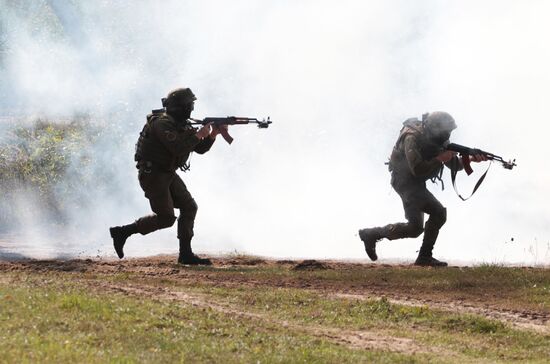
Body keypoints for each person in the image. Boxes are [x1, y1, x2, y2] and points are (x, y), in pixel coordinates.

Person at [109, 87, 226, 265]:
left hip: (167, 173)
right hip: (153, 175)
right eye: (189, 105)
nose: (192, 109)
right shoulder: (162, 124)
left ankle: (185, 254)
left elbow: (198, 149)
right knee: (166, 218)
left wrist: (212, 135)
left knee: (189, 207)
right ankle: (122, 232)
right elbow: (178, 148)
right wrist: (199, 135)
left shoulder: (181, 124)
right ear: (180, 106)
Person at [358, 111, 487, 267]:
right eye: (445, 132)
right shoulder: (411, 137)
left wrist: (472, 158)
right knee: (439, 213)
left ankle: (371, 234)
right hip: (404, 182)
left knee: (415, 228)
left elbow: (453, 164)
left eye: (449, 132)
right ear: (434, 129)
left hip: (414, 184)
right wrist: (441, 158)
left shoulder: (437, 140)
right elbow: (417, 169)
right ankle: (425, 257)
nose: (447, 136)